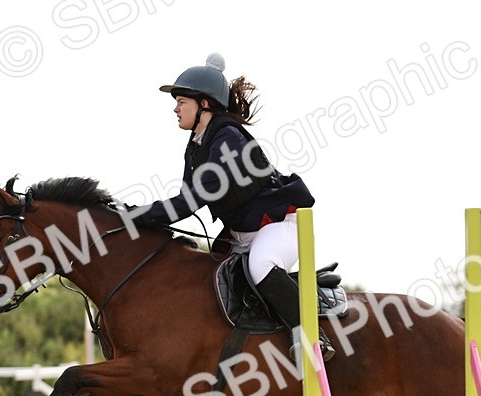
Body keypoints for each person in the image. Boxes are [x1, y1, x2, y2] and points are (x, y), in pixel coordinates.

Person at [134, 54, 333, 360]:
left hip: (279, 227)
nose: (175, 108)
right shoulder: (197, 145)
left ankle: (312, 337)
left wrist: (137, 215)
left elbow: (190, 202)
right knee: (206, 280)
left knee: (260, 266)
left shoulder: (228, 139)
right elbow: (185, 197)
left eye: (181, 101)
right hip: (242, 234)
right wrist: (141, 217)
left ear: (204, 104)